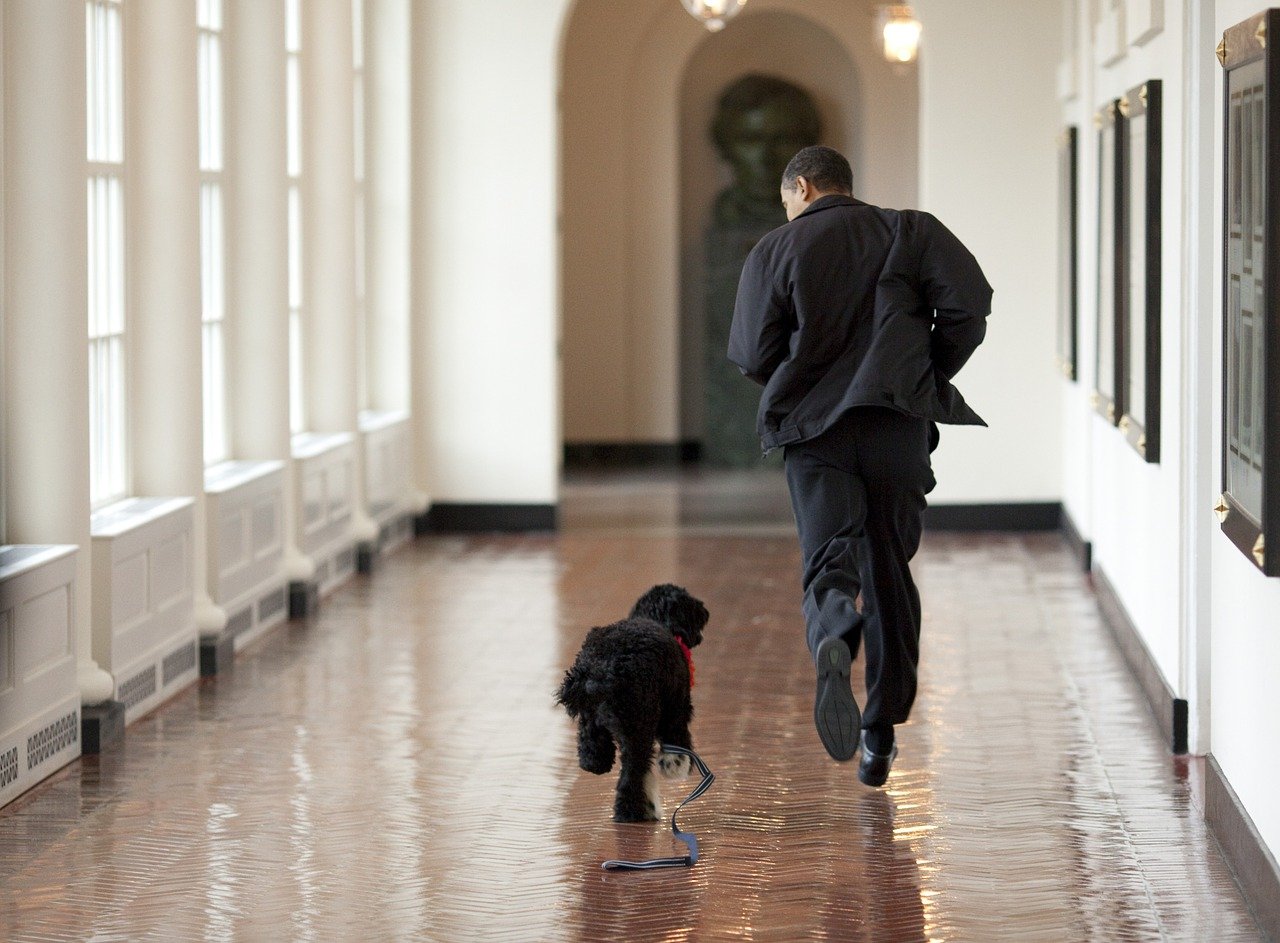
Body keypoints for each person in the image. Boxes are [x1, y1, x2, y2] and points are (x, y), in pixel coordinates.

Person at [727, 145, 992, 786]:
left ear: (805, 187)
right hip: (895, 425)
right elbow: (970, 306)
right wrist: (920, 371)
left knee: (829, 558)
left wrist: (800, 377)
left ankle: (834, 633)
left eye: (786, 198)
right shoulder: (910, 229)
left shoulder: (775, 249)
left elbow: (750, 350)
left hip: (817, 432)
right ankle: (879, 733)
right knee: (888, 571)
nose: (787, 209)